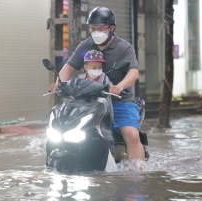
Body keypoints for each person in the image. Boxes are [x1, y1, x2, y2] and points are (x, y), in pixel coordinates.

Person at [50, 6, 144, 161]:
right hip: (89, 101)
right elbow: (68, 68)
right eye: (92, 29)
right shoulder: (85, 46)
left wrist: (119, 86)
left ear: (111, 28)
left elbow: (133, 73)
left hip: (119, 101)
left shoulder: (124, 48)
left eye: (100, 29)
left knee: (132, 135)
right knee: (61, 129)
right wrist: (59, 83)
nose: (95, 32)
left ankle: (138, 174)